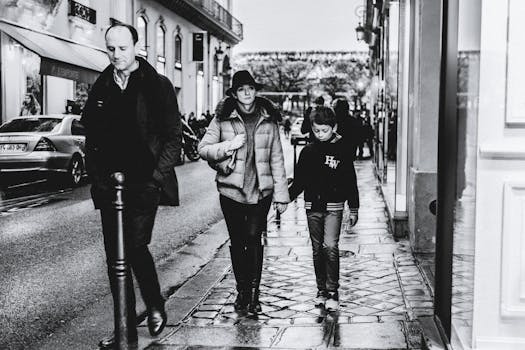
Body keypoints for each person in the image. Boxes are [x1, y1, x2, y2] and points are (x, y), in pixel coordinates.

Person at [80, 23, 182, 348]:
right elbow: (91, 138)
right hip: (110, 185)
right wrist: (98, 178)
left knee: (135, 247)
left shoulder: (157, 85)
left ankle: (154, 302)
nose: (116, 55)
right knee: (114, 258)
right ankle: (123, 328)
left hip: (143, 182)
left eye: (122, 48)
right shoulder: (101, 87)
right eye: (111, 48)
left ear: (137, 47)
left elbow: (172, 137)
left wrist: (156, 178)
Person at [198, 70, 290, 314]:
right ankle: (242, 291)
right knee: (238, 242)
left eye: (250, 88)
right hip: (231, 192)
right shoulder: (222, 119)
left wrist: (282, 195)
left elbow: (277, 158)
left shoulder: (269, 119)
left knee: (254, 239)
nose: (247, 93)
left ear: (256, 90)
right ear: (234, 93)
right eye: (241, 89)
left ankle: (254, 292)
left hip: (261, 193)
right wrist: (229, 146)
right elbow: (203, 149)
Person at [288, 106, 359, 311]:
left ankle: (332, 290)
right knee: (317, 249)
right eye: (317, 131)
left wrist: (353, 207)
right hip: (312, 206)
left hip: (334, 206)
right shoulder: (308, 151)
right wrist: (285, 199)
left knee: (330, 246)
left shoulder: (342, 149)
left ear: (334, 127)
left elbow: (350, 180)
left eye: (325, 131)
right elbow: (299, 182)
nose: (320, 135)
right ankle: (321, 289)